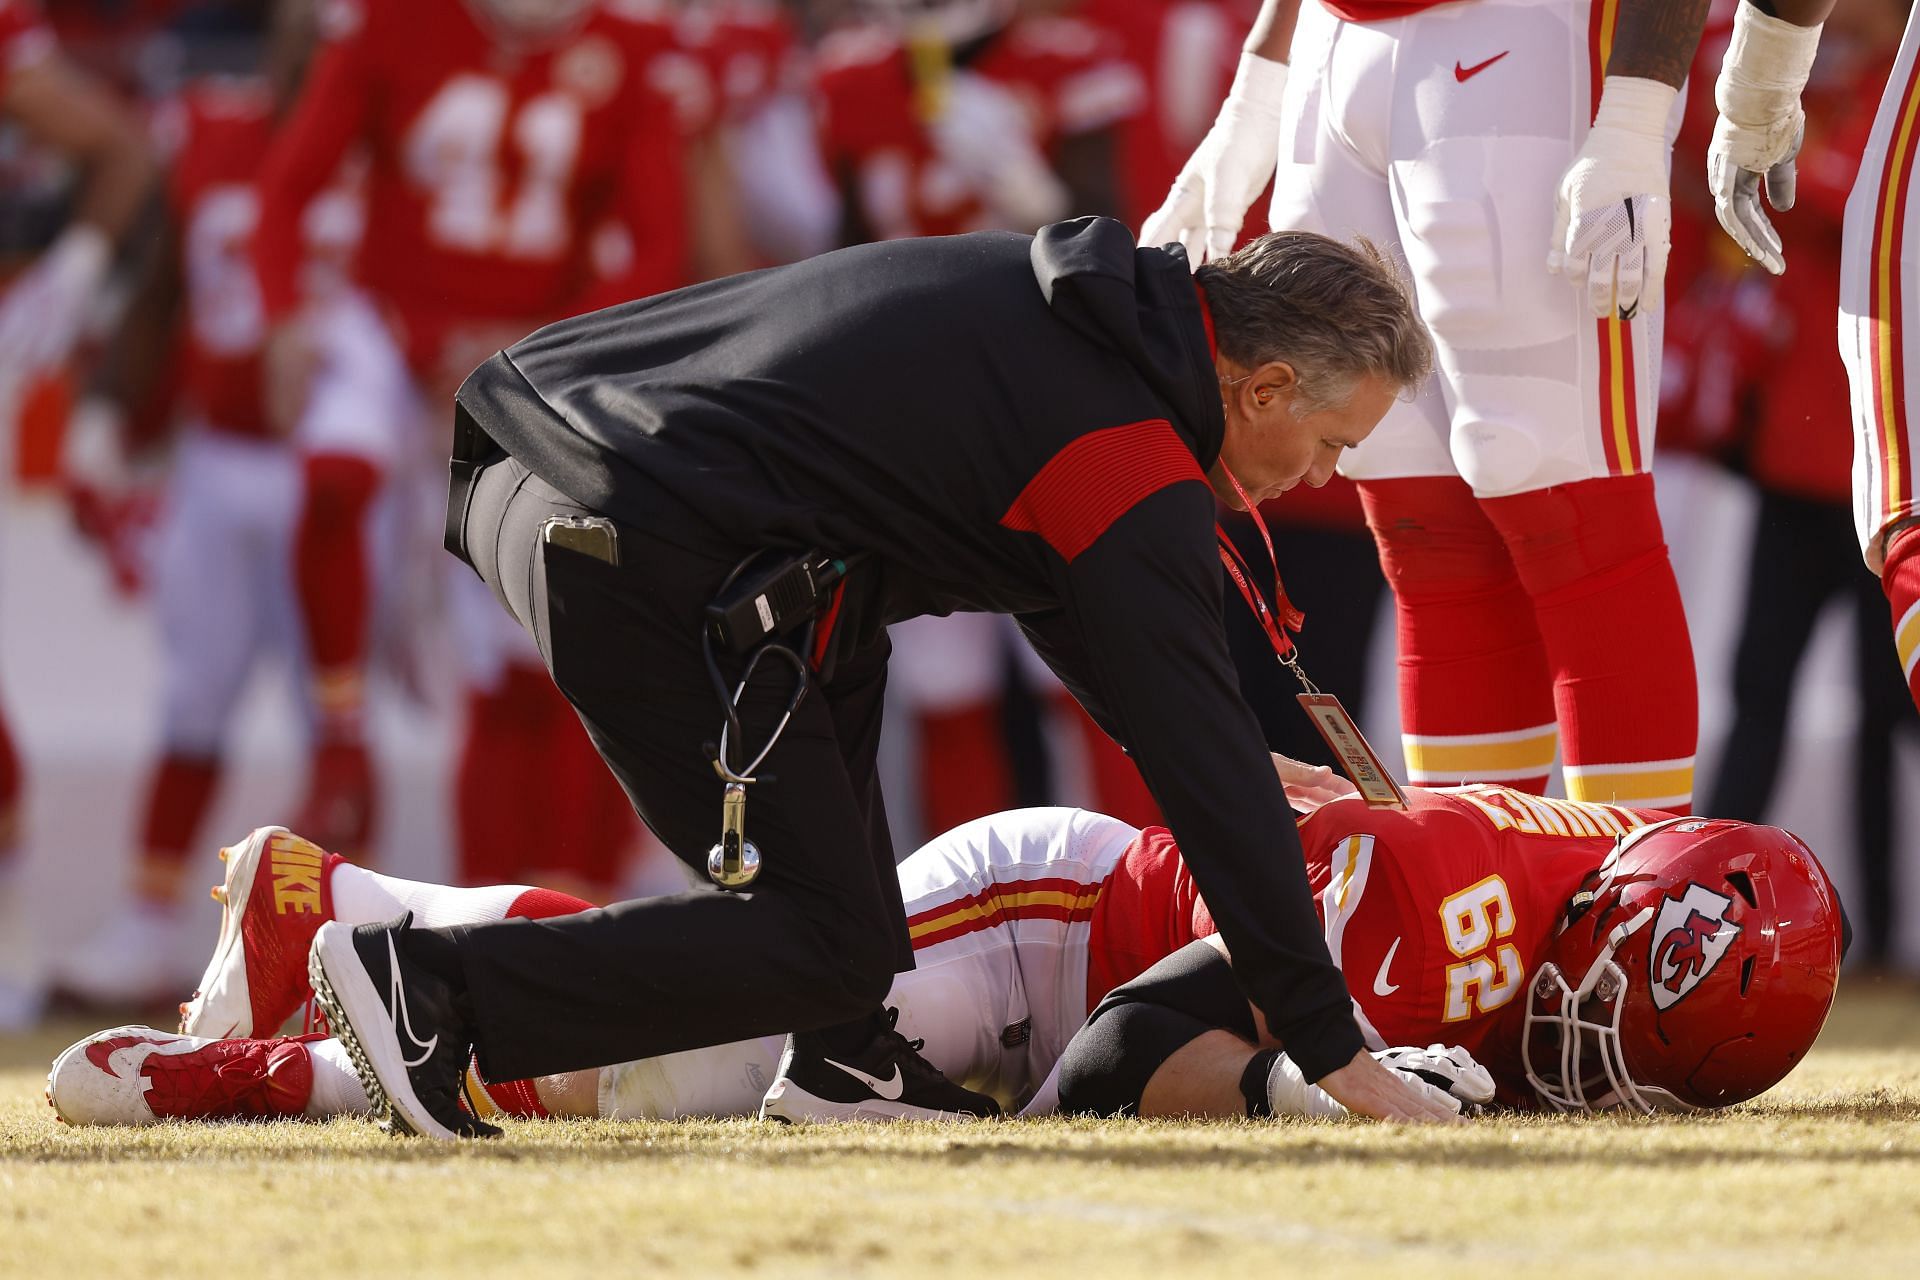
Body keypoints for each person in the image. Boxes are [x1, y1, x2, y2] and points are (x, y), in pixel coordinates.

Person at [303, 218, 1444, 1140]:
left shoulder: (1099, 326)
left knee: (845, 676)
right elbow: (1196, 759)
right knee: (819, 931)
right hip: (625, 527)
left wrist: (1231, 753)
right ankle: (431, 980)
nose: (1321, 477)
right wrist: (1330, 1041)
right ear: (1265, 385)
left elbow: (1061, 590)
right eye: (1334, 442)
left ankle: (848, 1056)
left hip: (571, 466)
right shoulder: (1126, 442)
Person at [46, 783, 1844, 1124]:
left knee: (706, 1053)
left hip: (1119, 938)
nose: (1596, 1056)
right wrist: (1312, 1087)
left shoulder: (1611, 864)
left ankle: (320, 954)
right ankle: (324, 969)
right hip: (1046, 930)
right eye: (1619, 1020)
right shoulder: (1433, 897)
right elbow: (1118, 1070)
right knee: (695, 1070)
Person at [1142, 0, 1710, 810]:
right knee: (1415, 517)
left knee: (1563, 498)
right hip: (1329, 44)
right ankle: (1473, 901)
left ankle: (1639, 903)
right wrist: (1250, 110)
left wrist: (1635, 112)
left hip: (1516, 35)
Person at [248, 0, 706, 857]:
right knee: (336, 475)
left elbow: (660, 248)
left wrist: (532, 346)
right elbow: (289, 182)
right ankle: (341, 723)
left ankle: (533, 919)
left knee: (529, 662)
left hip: (533, 356)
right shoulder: (392, 22)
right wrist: (280, 317)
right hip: (388, 327)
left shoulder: (636, 50)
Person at [1704, 0, 1920, 716]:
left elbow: (1851, 193)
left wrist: (1763, 138)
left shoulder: (1891, 87)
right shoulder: (1843, 80)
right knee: (1759, 687)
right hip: (1799, 451)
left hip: (1879, 451)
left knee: (1887, 702)